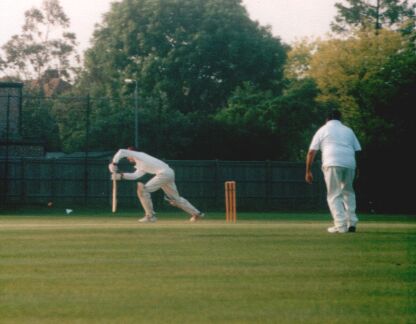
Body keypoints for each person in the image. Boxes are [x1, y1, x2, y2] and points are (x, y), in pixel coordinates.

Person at [108, 147, 204, 223]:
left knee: (143, 189)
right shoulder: (141, 163)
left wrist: (114, 163)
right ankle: (197, 214)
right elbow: (135, 176)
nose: (128, 159)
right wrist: (120, 176)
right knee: (175, 199)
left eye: (128, 157)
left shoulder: (138, 155)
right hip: (168, 173)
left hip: (164, 173)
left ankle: (150, 216)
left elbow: (121, 151)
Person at [305, 109, 361, 233]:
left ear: (327, 119)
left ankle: (340, 225)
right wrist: (358, 167)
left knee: (334, 194)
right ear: (340, 119)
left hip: (332, 162)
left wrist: (308, 171)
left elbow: (311, 152)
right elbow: (358, 150)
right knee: (348, 192)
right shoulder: (348, 130)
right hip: (350, 163)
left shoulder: (322, 130)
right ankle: (351, 223)